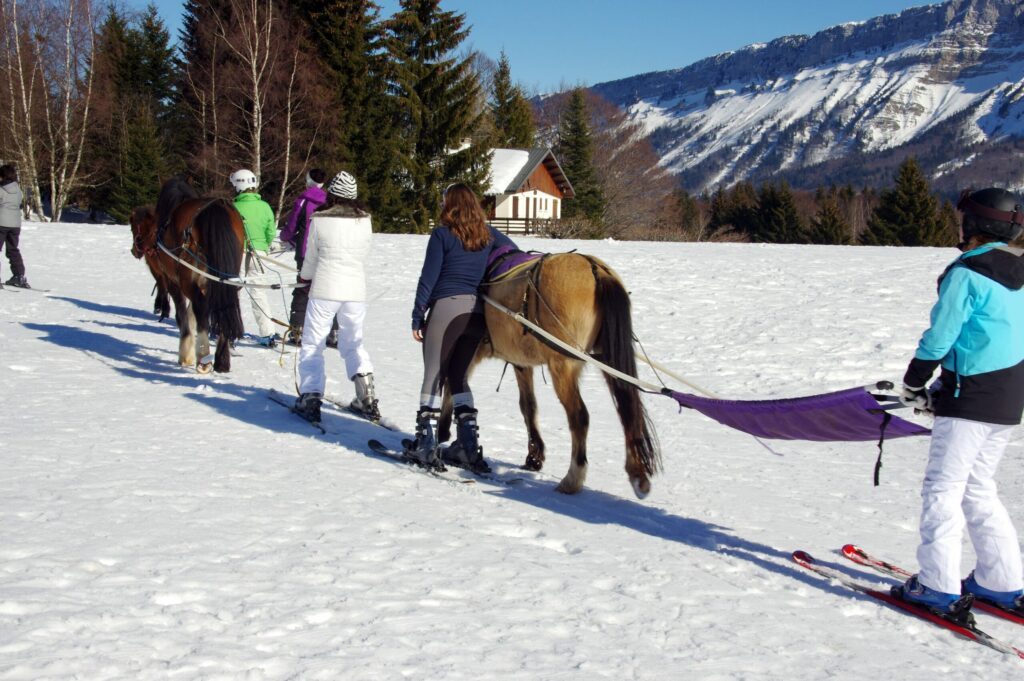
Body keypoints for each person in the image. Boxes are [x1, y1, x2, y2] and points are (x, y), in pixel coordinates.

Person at [893, 187, 1024, 619]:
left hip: (968, 397)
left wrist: (915, 380)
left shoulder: (966, 273)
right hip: (1008, 398)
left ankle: (936, 586)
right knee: (979, 487)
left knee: (943, 488)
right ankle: (1001, 582)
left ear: (975, 224)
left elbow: (941, 336)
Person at [405, 183, 519, 472]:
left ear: (450, 203)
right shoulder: (488, 234)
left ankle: (426, 443)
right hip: (478, 316)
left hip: (448, 308)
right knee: (459, 375)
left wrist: (418, 314)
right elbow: (512, 249)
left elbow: (428, 278)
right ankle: (468, 445)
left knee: (434, 373)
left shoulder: (442, 234)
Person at [293, 171, 378, 424]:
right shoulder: (365, 220)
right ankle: (367, 395)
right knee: (353, 341)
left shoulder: (320, 219)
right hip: (355, 290)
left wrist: (305, 278)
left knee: (313, 343)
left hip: (325, 288)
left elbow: (311, 256)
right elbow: (364, 253)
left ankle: (310, 395)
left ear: (333, 193)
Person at [279, 169, 335, 347]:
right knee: (329, 291)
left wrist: (286, 238)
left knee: (303, 288)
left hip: (305, 252)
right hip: (326, 252)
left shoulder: (303, 200)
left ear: (308, 180)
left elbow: (292, 225)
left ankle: (298, 330)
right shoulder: (329, 201)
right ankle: (334, 332)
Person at [230, 169, 280, 346]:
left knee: (232, 290)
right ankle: (267, 333)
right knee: (258, 292)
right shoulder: (265, 206)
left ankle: (228, 330)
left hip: (237, 253)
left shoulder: (232, 207)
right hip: (259, 254)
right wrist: (263, 246)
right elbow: (270, 232)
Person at [0, 164, 29, 289]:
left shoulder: (1, 189)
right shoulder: (19, 190)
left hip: (1, 223)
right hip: (15, 224)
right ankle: (19, 276)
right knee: (13, 250)